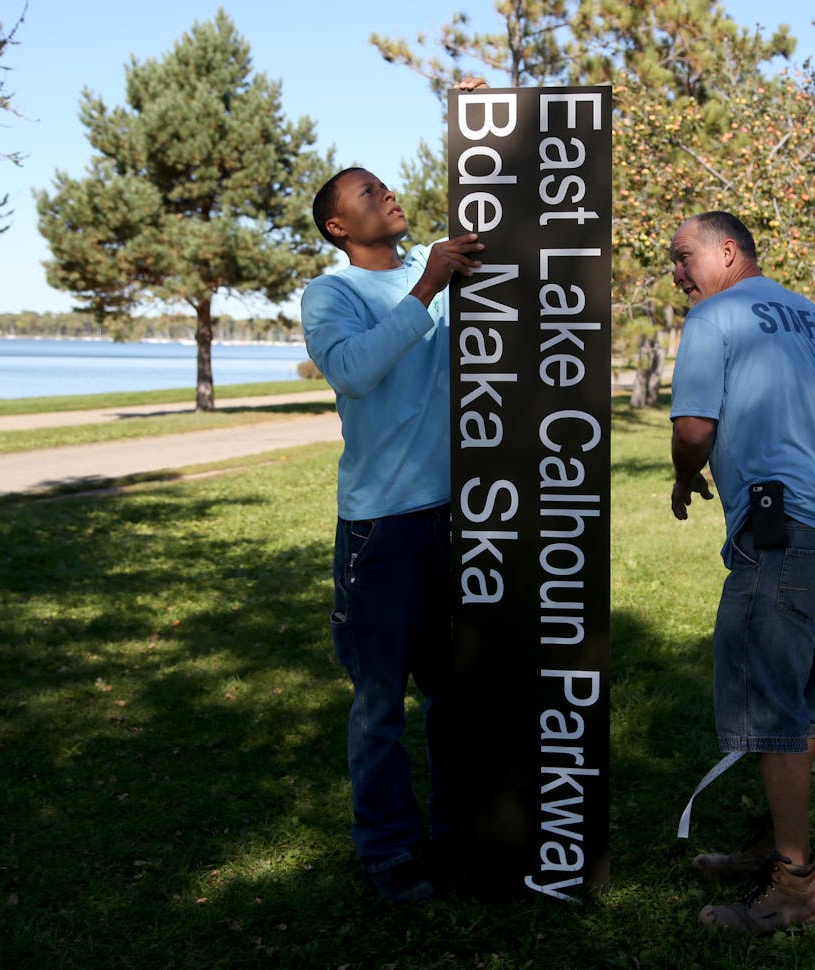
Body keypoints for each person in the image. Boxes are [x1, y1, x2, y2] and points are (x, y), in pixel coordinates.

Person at [666, 211, 815, 934]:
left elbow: (694, 430)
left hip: (782, 538)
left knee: (769, 711)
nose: (676, 273)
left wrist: (682, 479)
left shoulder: (714, 318)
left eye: (682, 258)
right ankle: (776, 844)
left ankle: (796, 886)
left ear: (727, 253)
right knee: (797, 707)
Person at [301, 137, 485, 902]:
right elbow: (350, 371)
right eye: (367, 192)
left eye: (385, 184)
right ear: (340, 227)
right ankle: (387, 856)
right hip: (381, 530)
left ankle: (453, 837)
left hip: (459, 520)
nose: (387, 194)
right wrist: (426, 292)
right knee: (380, 707)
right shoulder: (330, 294)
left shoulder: (434, 269)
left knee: (454, 694)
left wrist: (488, 114)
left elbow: (503, 211)